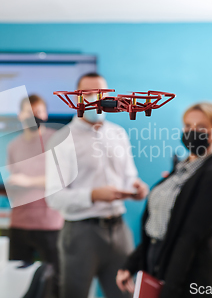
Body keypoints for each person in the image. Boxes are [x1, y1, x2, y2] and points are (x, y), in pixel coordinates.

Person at [45, 72, 149, 298]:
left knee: (125, 294)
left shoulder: (118, 134)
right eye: (89, 93)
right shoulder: (61, 140)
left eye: (100, 93)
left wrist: (137, 187)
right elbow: (54, 197)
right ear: (78, 98)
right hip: (81, 233)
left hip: (119, 231)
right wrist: (93, 195)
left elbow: (130, 176)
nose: (96, 99)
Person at [116, 102, 212, 298]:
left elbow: (188, 240)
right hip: (156, 267)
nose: (192, 132)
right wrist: (130, 265)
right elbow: (159, 228)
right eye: (188, 126)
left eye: (201, 127)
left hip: (186, 280)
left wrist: (168, 292)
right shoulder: (178, 172)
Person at [0, 94, 63, 297]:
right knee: (16, 280)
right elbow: (14, 182)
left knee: (54, 282)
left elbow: (62, 179)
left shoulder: (57, 140)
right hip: (19, 223)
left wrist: (28, 181)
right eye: (30, 112)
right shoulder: (13, 146)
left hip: (50, 224)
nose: (35, 116)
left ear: (45, 114)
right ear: (20, 115)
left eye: (39, 112)